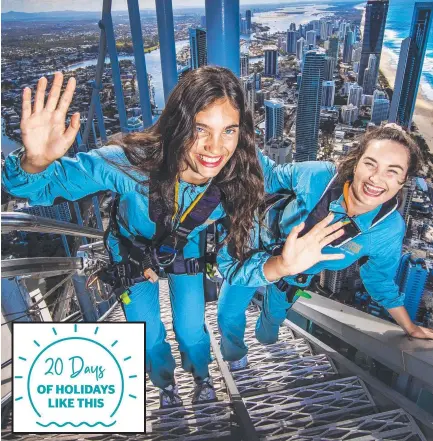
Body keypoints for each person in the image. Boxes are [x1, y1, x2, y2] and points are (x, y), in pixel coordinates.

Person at [2, 66, 344, 407]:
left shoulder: (242, 169)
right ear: (179, 124)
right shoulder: (134, 164)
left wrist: (356, 180)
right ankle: (165, 382)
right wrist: (33, 163)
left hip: (185, 250)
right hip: (131, 253)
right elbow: (46, 187)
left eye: (229, 131)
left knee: (192, 328)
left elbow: (290, 177)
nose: (214, 147)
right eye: (200, 129)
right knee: (148, 334)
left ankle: (201, 375)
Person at [217, 125, 433, 371]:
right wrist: (229, 128)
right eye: (370, 164)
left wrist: (410, 326)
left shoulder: (387, 229)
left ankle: (267, 341)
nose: (376, 178)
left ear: (404, 179)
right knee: (227, 314)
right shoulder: (320, 177)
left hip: (292, 277)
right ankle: (235, 356)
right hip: (255, 252)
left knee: (271, 326)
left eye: (392, 171)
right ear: (357, 162)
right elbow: (271, 174)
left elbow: (379, 280)